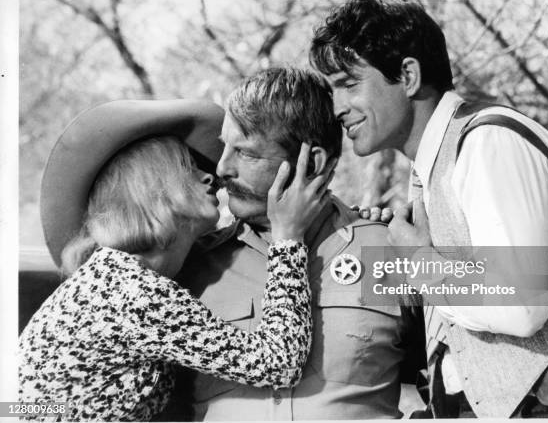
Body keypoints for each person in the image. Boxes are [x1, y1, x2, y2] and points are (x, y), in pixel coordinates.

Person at [310, 0, 548, 418]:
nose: (337, 108)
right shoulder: (429, 171)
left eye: (348, 84)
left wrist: (420, 260)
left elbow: (521, 304)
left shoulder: (488, 143)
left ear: (407, 76)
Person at [19, 100, 334, 421]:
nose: (211, 177)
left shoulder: (118, 273)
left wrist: (334, 224)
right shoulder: (134, 291)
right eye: (187, 168)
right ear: (152, 190)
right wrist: (288, 235)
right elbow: (279, 364)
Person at [168, 67, 425, 420]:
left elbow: (506, 315)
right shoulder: (190, 266)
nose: (223, 168)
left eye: (247, 154)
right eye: (224, 148)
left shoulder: (389, 245)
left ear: (314, 163)